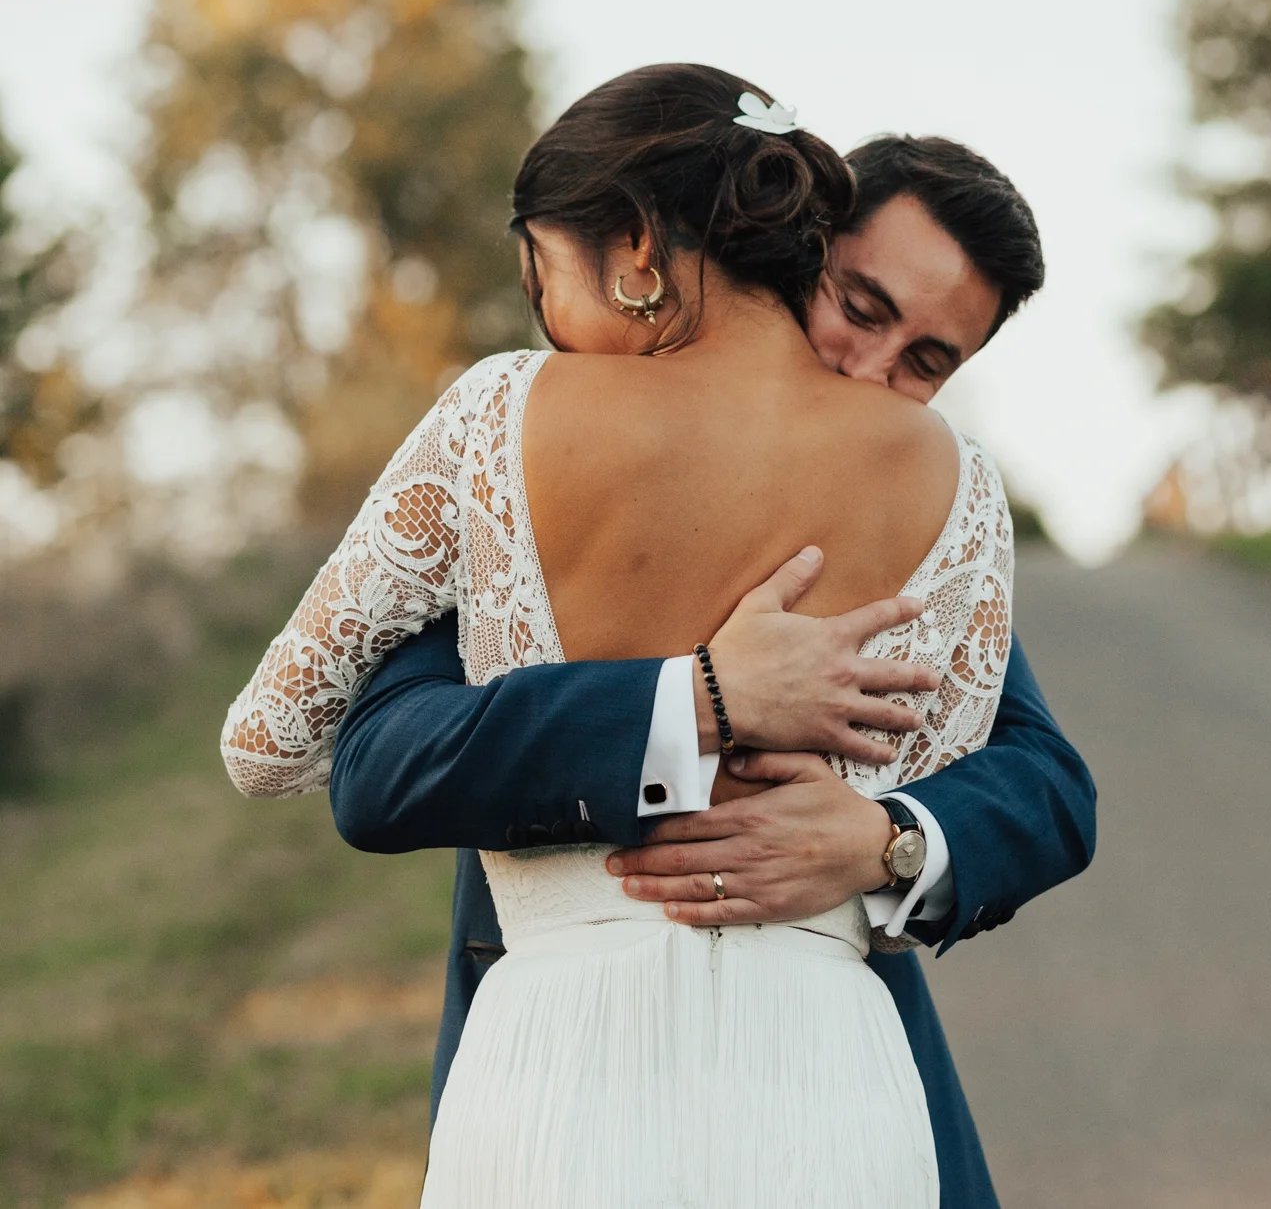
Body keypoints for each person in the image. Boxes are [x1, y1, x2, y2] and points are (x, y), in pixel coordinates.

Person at [220, 67, 1079, 1206]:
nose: (873, 372)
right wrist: (699, 700)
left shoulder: (506, 419)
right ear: (798, 244)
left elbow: (1042, 781)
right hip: (744, 1062)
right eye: (861, 308)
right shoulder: (941, 485)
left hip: (658, 1071)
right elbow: (382, 764)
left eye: (926, 362)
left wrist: (886, 843)